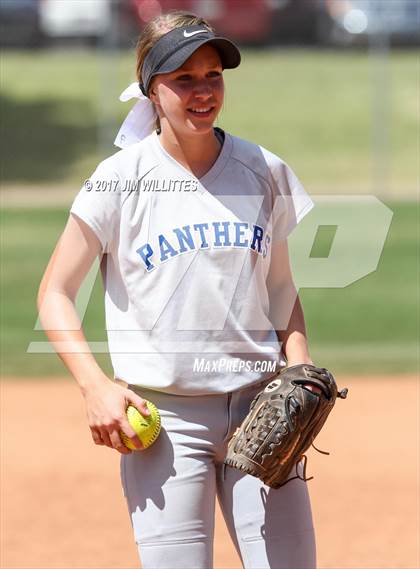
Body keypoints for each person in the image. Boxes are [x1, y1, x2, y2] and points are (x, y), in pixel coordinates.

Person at [38, 11, 321, 569]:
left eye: (213, 75)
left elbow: (281, 286)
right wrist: (94, 387)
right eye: (183, 78)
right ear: (150, 89)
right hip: (166, 425)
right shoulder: (120, 181)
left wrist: (299, 366)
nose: (202, 92)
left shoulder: (262, 169)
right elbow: (54, 293)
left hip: (262, 412)